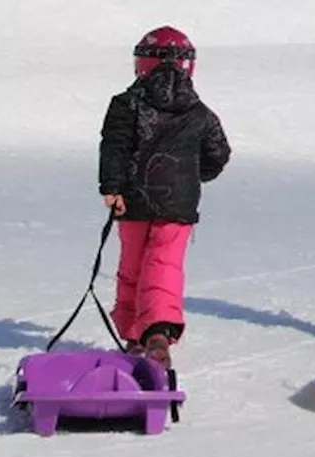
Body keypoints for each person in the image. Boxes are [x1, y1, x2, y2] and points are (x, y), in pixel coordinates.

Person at [98, 25, 231, 368]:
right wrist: (193, 175)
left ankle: (132, 333)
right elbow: (218, 153)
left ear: (142, 63)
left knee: (132, 266)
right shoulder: (199, 111)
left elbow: (114, 147)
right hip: (179, 205)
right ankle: (158, 330)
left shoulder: (126, 104)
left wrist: (112, 187)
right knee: (164, 264)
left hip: (133, 202)